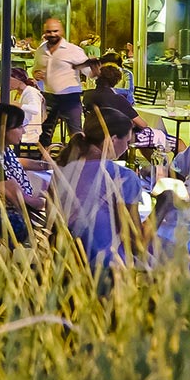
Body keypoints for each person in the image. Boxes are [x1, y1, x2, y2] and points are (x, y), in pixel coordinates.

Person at [52, 108, 144, 268]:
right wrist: (165, 204)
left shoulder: (63, 169)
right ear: (114, 139)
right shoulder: (122, 177)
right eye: (127, 142)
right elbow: (136, 245)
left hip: (63, 263)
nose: (127, 148)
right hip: (106, 269)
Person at [0, 103, 47, 243]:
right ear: (3, 129)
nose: (24, 132)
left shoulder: (0, 149)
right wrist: (47, 202)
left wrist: (43, 165)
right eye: (19, 127)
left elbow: (14, 162)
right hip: (7, 218)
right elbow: (21, 199)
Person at [33, 17, 90, 147]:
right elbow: (36, 69)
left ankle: (77, 163)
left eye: (55, 31)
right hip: (49, 95)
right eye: (49, 31)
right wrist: (36, 74)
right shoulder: (41, 51)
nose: (52, 34)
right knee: (44, 132)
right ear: (44, 32)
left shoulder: (73, 50)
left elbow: (89, 72)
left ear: (62, 31)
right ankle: (43, 162)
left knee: (75, 133)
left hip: (70, 97)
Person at [9, 67, 44, 147]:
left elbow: (35, 109)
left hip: (29, 130)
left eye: (10, 80)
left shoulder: (31, 92)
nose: (8, 83)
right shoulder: (19, 93)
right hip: (22, 126)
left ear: (18, 80)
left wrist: (14, 104)